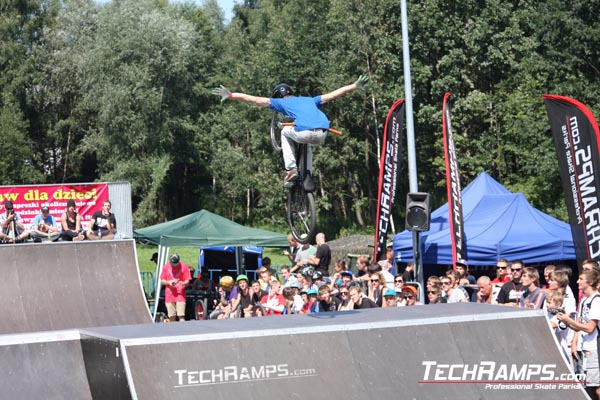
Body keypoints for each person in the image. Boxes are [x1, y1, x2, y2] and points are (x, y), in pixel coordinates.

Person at [212, 76, 368, 186]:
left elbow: (254, 99)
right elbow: (334, 94)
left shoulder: (279, 102)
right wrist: (354, 86)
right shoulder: (309, 99)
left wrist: (232, 95)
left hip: (303, 131)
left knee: (285, 132)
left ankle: (291, 169)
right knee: (305, 143)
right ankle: (308, 174)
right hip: (322, 133)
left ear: (278, 96)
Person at [557, 269, 600, 399]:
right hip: (583, 349)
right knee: (586, 387)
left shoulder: (596, 300)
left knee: (596, 387)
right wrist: (565, 321)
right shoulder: (584, 301)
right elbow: (579, 325)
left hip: (594, 349)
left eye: (581, 279)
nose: (577, 281)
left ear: (591, 282)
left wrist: (568, 320)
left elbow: (590, 328)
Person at [159, 254, 191, 322]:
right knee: (171, 316)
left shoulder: (184, 266)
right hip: (169, 294)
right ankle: (173, 331)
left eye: (176, 263)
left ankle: (182, 330)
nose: (174, 265)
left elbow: (187, 280)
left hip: (180, 293)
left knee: (181, 315)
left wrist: (183, 283)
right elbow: (162, 280)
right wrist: (168, 282)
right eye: (173, 264)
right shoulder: (166, 267)